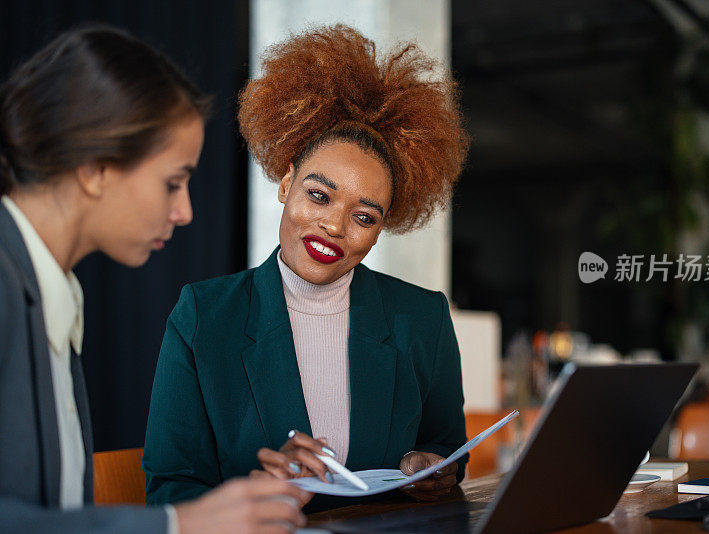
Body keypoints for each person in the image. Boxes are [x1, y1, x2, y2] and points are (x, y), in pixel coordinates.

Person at [143, 24, 470, 513]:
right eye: (319, 195)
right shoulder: (204, 317)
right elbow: (170, 492)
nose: (333, 227)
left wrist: (436, 469)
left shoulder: (422, 319)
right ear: (286, 181)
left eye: (364, 216)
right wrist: (260, 487)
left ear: (382, 228)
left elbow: (447, 448)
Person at [0, 25, 309, 533]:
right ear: (96, 168)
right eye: (173, 182)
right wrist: (177, 525)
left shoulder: (47, 290)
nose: (185, 211)